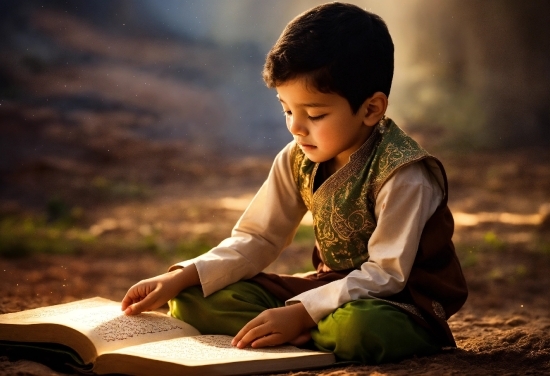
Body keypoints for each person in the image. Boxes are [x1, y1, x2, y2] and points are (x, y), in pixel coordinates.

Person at [121, 2, 468, 364]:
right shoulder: (297, 157)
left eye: (315, 114)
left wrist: (301, 312)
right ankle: (308, 333)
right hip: (327, 291)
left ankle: (304, 330)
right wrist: (181, 277)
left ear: (371, 109)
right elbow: (258, 238)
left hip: (397, 304)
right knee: (194, 297)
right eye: (287, 109)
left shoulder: (404, 173)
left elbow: (386, 275)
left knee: (357, 329)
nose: (296, 128)